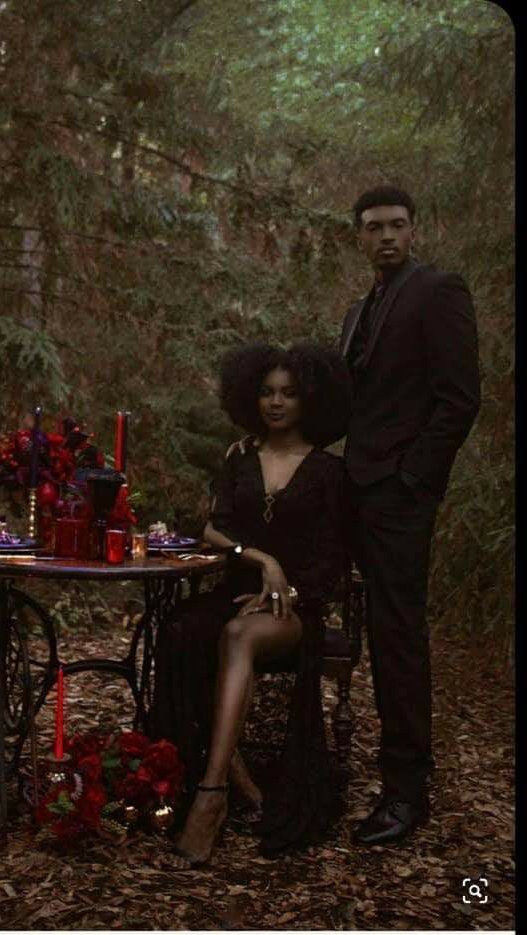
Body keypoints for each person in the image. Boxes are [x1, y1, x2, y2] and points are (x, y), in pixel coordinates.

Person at [150, 341, 353, 867]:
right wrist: (261, 558)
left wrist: (287, 589)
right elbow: (214, 527)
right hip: (236, 592)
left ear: (311, 399)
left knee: (240, 635)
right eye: (266, 392)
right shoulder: (240, 457)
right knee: (178, 628)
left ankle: (212, 794)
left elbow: (334, 558)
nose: (277, 403)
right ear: (250, 397)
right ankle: (236, 775)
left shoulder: (329, 472)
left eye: (289, 393)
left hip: (293, 609)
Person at [340, 185, 481, 845]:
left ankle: (406, 792)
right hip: (354, 489)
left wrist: (410, 480)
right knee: (350, 624)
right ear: (360, 237)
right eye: (374, 227)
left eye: (398, 224)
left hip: (399, 496)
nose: (387, 236)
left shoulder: (437, 291)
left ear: (413, 228)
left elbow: (458, 400)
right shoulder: (357, 310)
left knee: (397, 635)